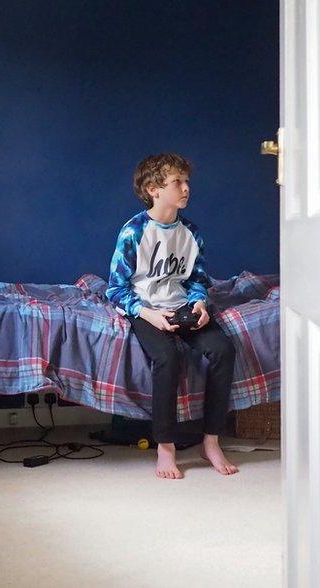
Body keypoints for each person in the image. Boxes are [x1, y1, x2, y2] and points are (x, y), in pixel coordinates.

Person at [107, 153, 239, 479]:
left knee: (223, 349)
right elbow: (116, 289)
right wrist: (148, 315)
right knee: (167, 357)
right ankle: (165, 446)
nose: (186, 188)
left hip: (181, 307)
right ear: (154, 189)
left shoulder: (192, 233)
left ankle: (211, 440)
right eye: (177, 182)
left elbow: (197, 280)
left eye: (186, 181)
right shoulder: (133, 232)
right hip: (147, 309)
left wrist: (200, 304)